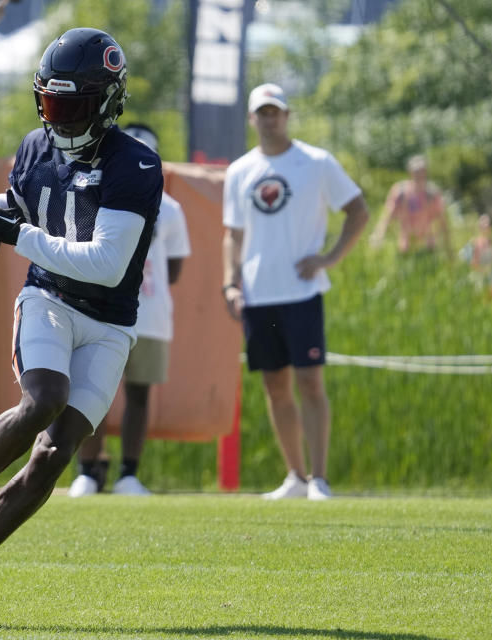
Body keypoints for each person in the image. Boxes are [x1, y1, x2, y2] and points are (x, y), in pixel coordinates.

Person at [0, 28, 163, 628]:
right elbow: (23, 209)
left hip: (107, 321)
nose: (61, 118)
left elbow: (106, 264)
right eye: (52, 104)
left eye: (73, 106)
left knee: (54, 455)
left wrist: (14, 233)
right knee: (44, 399)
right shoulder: (34, 148)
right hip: (48, 298)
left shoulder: (136, 164)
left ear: (108, 102)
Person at [222, 83, 370, 501]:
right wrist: (230, 284)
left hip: (302, 292)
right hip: (258, 294)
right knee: (275, 385)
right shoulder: (240, 171)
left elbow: (358, 210)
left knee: (309, 381)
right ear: (252, 119)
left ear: (286, 116)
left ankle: (320, 479)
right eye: (262, 113)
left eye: (276, 112)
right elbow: (231, 235)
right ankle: (295, 476)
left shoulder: (316, 162)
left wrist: (330, 258)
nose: (270, 119)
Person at [67, 123, 191, 497]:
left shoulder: (170, 209)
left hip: (149, 313)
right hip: (101, 308)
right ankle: (88, 470)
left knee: (139, 394)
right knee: (91, 390)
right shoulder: (98, 193)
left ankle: (129, 474)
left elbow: (174, 268)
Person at [370, 155, 451, 255]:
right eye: (416, 172)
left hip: (428, 246)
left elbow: (442, 221)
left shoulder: (433, 194)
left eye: (422, 171)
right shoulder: (400, 192)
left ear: (426, 172)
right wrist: (379, 235)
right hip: (406, 246)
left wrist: (448, 248)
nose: (419, 175)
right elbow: (387, 216)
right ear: (410, 173)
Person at [460, 212, 492, 299]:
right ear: (480, 228)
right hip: (480, 274)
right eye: (483, 227)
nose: (485, 229)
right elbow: (472, 263)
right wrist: (483, 270)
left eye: (487, 226)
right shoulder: (475, 244)